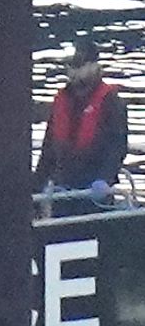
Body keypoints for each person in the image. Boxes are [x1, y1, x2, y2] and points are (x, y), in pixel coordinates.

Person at [34, 39, 127, 214]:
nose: (74, 72)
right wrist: (37, 187)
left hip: (96, 193)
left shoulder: (111, 100)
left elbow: (118, 146)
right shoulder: (61, 101)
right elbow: (48, 150)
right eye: (71, 66)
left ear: (94, 65)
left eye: (80, 65)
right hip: (64, 188)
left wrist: (104, 180)